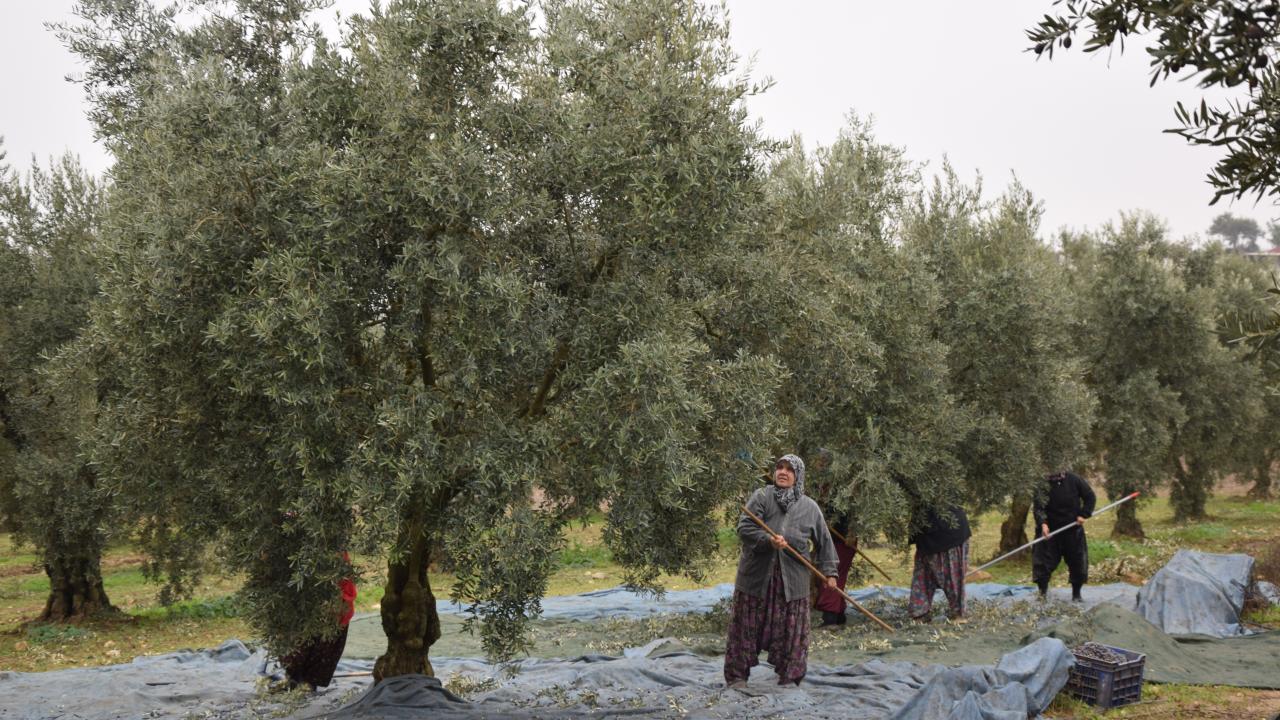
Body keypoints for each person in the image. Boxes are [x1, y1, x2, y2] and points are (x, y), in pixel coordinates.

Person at [724, 454, 839, 688]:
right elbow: (744, 527)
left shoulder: (810, 508)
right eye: (779, 467)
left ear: (798, 476)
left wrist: (830, 573)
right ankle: (737, 676)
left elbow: (825, 542)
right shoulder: (761, 497)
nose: (783, 472)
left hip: (793, 581)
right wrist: (768, 540)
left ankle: (790, 676)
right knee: (745, 628)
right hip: (756, 579)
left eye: (789, 469)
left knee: (792, 633)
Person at [279, 552, 358, 689]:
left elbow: (346, 585)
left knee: (324, 646)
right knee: (295, 646)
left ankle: (309, 683)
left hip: (333, 607)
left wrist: (336, 601)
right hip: (301, 604)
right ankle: (292, 679)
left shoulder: (336, 555)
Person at [1032, 470, 1096, 602]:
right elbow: (1038, 507)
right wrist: (1042, 524)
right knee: (1043, 563)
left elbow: (1090, 497)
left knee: (1078, 562)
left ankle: (1076, 595)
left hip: (1072, 529)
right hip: (1049, 531)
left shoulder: (1075, 479)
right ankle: (1042, 594)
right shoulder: (1042, 484)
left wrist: (1084, 514)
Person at [907, 502, 971, 622]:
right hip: (926, 530)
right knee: (923, 574)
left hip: (949, 531)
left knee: (951, 576)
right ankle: (920, 612)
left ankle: (959, 614)